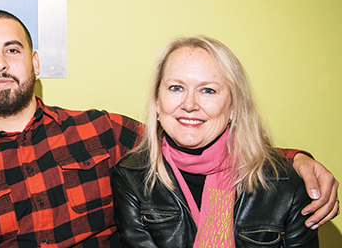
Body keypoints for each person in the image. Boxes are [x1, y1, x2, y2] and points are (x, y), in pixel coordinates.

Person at [0, 10, 338, 248]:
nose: (1, 64)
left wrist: (294, 159)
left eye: (12, 49)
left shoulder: (100, 131)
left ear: (36, 63)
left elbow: (189, 135)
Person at [112, 36, 320, 247]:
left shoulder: (286, 183)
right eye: (176, 88)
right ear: (157, 101)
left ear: (233, 107)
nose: (189, 104)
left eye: (208, 90)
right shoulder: (132, 177)